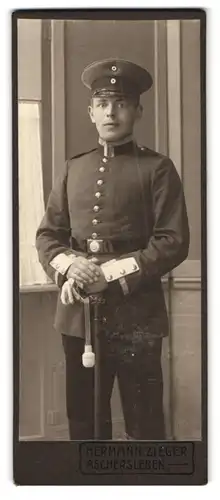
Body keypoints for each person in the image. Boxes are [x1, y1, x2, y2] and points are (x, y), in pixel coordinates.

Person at [36, 58, 190, 441]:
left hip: (137, 314)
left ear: (137, 111)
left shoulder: (158, 168)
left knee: (145, 424)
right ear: (91, 112)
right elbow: (48, 236)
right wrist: (69, 268)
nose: (111, 111)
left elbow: (173, 240)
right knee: (85, 424)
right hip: (78, 315)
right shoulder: (73, 169)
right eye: (103, 103)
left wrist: (108, 275)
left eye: (121, 102)